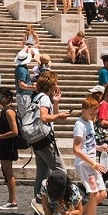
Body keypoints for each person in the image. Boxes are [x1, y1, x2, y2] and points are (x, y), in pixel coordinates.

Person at [29, 71, 70, 207]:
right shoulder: (45, 98)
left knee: (42, 173)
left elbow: (52, 118)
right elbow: (45, 117)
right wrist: (59, 116)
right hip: (45, 140)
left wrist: (56, 103)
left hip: (37, 139)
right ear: (51, 84)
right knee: (61, 171)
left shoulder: (37, 97)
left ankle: (39, 202)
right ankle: (64, 201)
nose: (57, 85)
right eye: (56, 82)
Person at [73, 97, 108, 215]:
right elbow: (76, 149)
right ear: (83, 111)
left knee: (103, 194)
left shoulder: (90, 123)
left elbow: (88, 144)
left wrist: (99, 148)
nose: (94, 117)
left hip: (93, 163)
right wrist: (93, 163)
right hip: (85, 164)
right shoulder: (79, 125)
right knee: (94, 194)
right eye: (91, 114)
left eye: (95, 114)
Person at [0, 87, 21, 210]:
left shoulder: (9, 111)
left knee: (9, 173)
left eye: (1, 97)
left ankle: (13, 201)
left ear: (8, 98)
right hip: (4, 144)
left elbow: (14, 131)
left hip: (8, 145)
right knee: (6, 172)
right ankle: (11, 199)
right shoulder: (5, 110)